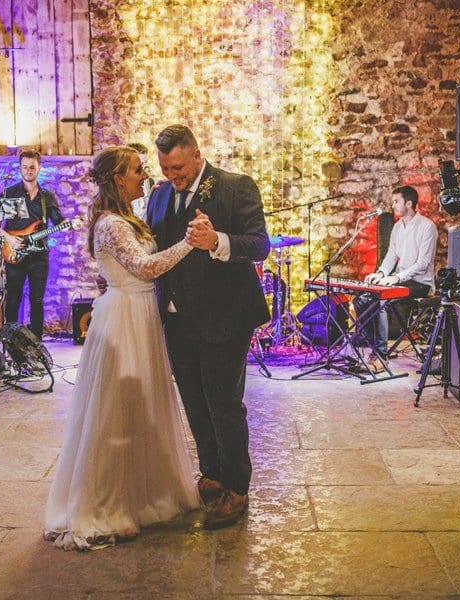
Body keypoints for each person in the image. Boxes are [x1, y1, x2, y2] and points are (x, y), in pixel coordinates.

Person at [43, 145, 200, 551]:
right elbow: (144, 268)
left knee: (140, 408)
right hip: (124, 317)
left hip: (139, 313)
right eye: (136, 170)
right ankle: (106, 506)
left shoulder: (126, 217)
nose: (144, 175)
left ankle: (138, 498)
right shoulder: (111, 224)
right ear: (117, 178)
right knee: (117, 412)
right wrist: (190, 242)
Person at [145, 124, 271, 530]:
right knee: (194, 402)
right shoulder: (159, 195)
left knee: (223, 402)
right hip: (176, 317)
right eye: (166, 169)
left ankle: (236, 486)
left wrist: (217, 240)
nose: (172, 177)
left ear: (197, 155)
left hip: (225, 317)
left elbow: (260, 245)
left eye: (178, 168)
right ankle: (212, 473)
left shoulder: (235, 187)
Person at [0, 150, 68, 339]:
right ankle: (11, 341)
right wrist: (7, 237)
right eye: (25, 167)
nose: (28, 171)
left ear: (39, 168)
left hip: (39, 255)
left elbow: (58, 220)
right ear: (20, 168)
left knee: (37, 300)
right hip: (14, 253)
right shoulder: (10, 193)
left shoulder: (47, 197)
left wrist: (68, 224)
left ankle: (37, 344)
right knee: (13, 299)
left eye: (32, 167)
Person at [354, 185, 438, 372]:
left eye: (396, 201)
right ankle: (373, 349)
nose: (392, 205)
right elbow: (391, 256)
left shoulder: (427, 227)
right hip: (400, 279)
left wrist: (396, 278)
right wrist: (381, 273)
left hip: (420, 283)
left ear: (409, 203)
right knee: (361, 299)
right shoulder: (398, 227)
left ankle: (381, 357)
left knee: (380, 300)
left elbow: (423, 263)